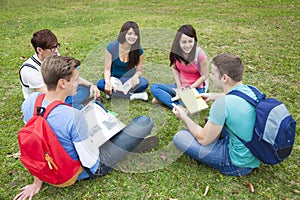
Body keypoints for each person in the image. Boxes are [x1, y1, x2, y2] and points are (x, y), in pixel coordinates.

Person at [14, 56, 156, 200]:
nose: (78, 83)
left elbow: (34, 144)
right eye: (76, 79)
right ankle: (129, 145)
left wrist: (36, 183)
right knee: (144, 122)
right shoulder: (73, 116)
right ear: (62, 83)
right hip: (82, 169)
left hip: (50, 165)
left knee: (96, 107)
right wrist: (94, 137)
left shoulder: (31, 101)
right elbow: (90, 161)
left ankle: (126, 142)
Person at [172, 54, 260, 176]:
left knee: (180, 137)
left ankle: (217, 141)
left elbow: (203, 139)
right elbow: (233, 97)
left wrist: (184, 116)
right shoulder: (251, 90)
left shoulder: (221, 105)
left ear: (224, 78)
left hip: (237, 162)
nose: (209, 76)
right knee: (215, 121)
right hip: (255, 151)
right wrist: (212, 95)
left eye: (212, 73)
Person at [19, 29, 100, 109]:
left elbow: (72, 75)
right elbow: (48, 95)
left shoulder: (54, 57)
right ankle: (80, 106)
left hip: (61, 90)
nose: (56, 51)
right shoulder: (29, 70)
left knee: (85, 89)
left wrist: (90, 85)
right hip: (47, 103)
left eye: (57, 46)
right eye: (52, 48)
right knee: (79, 100)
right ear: (39, 50)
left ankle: (80, 104)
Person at [150, 24, 209, 108]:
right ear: (178, 42)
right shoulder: (176, 53)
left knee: (189, 104)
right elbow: (174, 69)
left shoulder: (200, 54)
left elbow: (205, 75)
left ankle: (167, 100)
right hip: (179, 87)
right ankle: (177, 106)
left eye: (190, 41)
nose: (187, 45)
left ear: (194, 40)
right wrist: (179, 86)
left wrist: (189, 88)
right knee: (154, 87)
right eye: (184, 42)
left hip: (195, 88)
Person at [96, 21, 149, 101]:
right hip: (115, 80)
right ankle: (134, 96)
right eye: (130, 34)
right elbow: (107, 69)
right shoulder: (112, 47)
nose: (133, 37)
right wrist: (108, 82)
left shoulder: (138, 50)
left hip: (129, 81)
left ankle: (114, 94)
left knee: (144, 82)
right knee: (100, 84)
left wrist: (135, 77)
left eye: (135, 34)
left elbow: (139, 70)